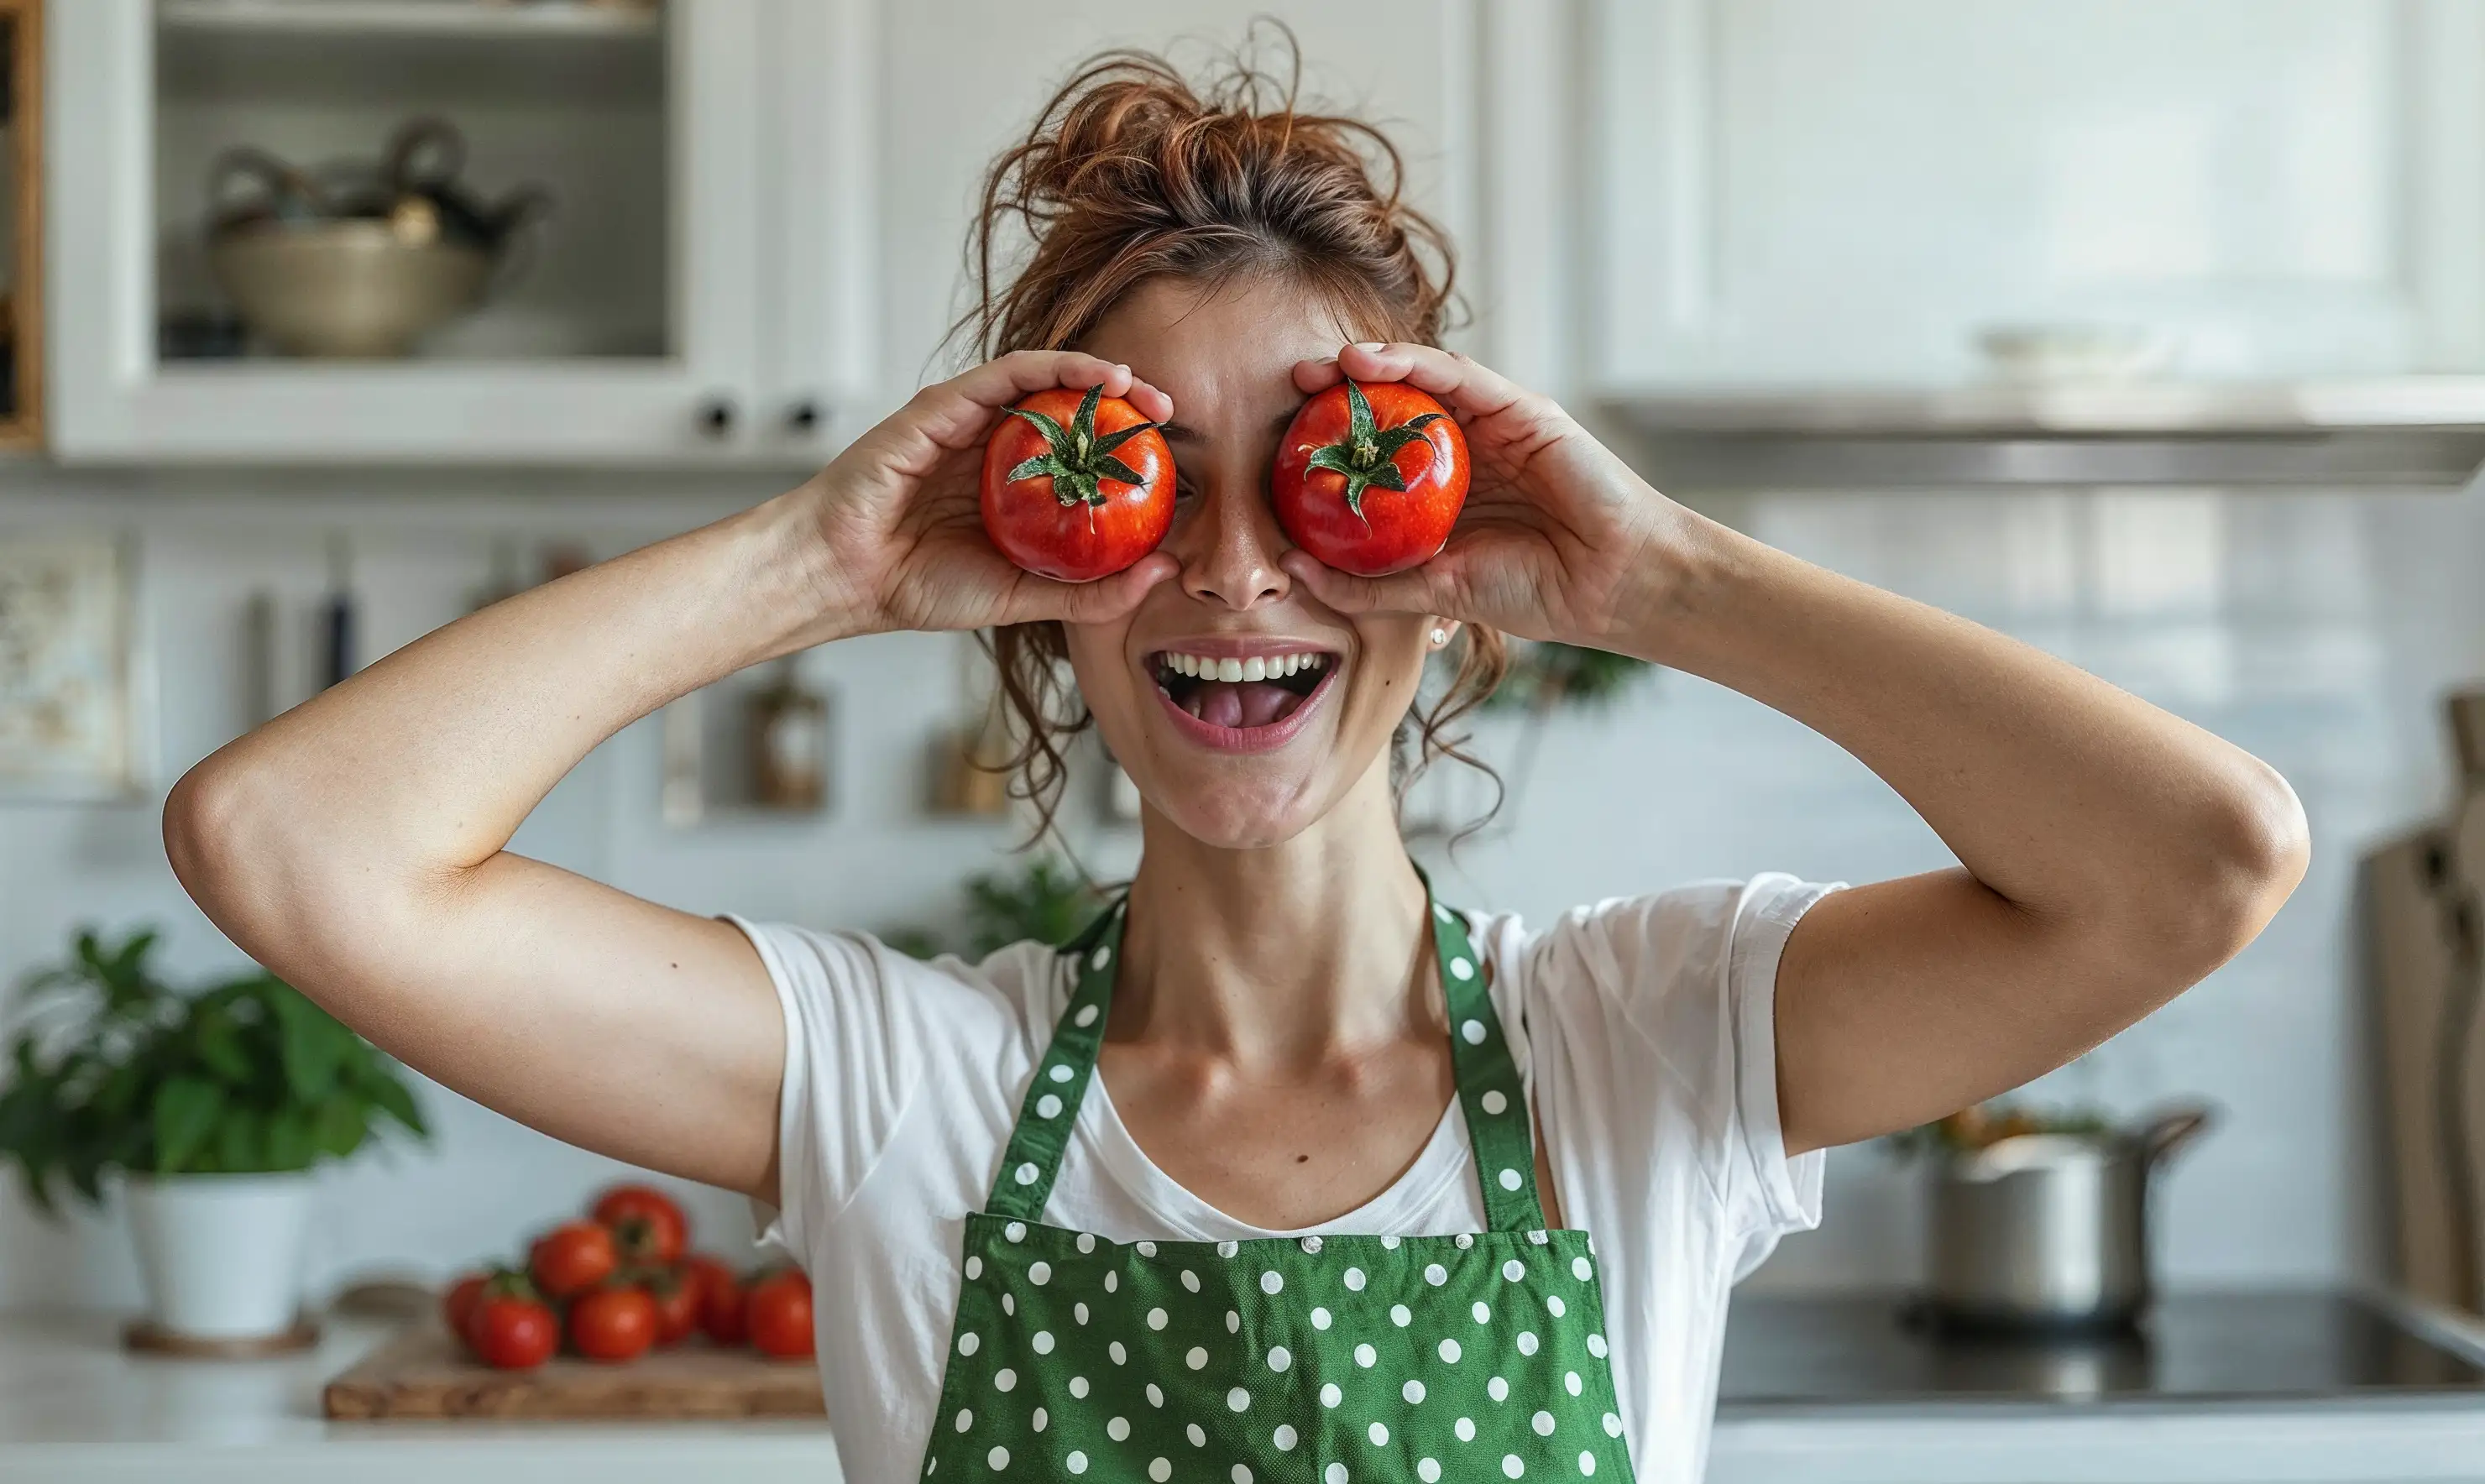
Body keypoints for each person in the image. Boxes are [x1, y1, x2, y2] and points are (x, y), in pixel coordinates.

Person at [164, 42, 2306, 1484]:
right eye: (1136, 480)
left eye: (1318, 480)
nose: (1227, 569)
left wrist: (1658, 573)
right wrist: (800, 560)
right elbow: (286, 842)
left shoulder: (1642, 1049)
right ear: (1037, 564)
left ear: (1450, 554)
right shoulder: (912, 1089)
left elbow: (2199, 857)